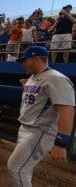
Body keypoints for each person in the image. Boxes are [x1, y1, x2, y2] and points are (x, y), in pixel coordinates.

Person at [7, 46, 75, 187]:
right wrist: (27, 84)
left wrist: (61, 143)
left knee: (15, 168)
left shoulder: (56, 78)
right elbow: (40, 95)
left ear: (35, 59)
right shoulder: (34, 77)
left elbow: (67, 110)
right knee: (25, 169)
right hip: (27, 128)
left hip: (40, 131)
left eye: (25, 60)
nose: (23, 64)